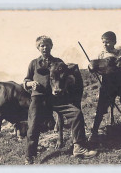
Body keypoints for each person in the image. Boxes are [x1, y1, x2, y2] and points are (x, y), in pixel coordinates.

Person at [23, 35, 97, 164]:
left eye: (47, 45)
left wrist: (70, 80)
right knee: (33, 125)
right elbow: (26, 80)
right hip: (38, 98)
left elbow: (70, 76)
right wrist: (31, 84)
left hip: (55, 98)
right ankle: (30, 156)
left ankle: (78, 147)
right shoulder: (33, 63)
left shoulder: (58, 62)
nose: (44, 47)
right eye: (42, 45)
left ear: (51, 46)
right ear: (38, 48)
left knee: (76, 113)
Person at [90, 31, 121, 140]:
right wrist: (94, 69)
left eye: (107, 42)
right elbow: (96, 69)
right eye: (103, 42)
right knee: (101, 107)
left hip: (120, 82)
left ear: (114, 42)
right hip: (107, 84)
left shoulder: (120, 53)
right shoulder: (101, 55)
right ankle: (94, 131)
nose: (105, 45)